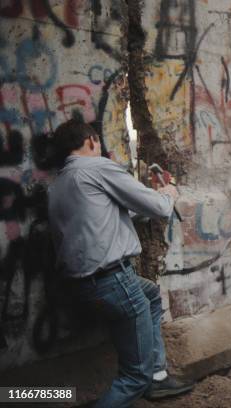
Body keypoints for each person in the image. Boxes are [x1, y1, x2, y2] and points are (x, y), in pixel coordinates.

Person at [47, 119, 194, 407]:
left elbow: (112, 214)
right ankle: (147, 377)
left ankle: (159, 376)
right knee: (133, 377)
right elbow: (161, 208)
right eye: (98, 142)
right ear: (91, 141)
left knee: (150, 293)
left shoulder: (59, 184)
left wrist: (150, 198)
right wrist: (169, 192)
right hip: (112, 280)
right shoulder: (98, 167)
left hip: (83, 285)